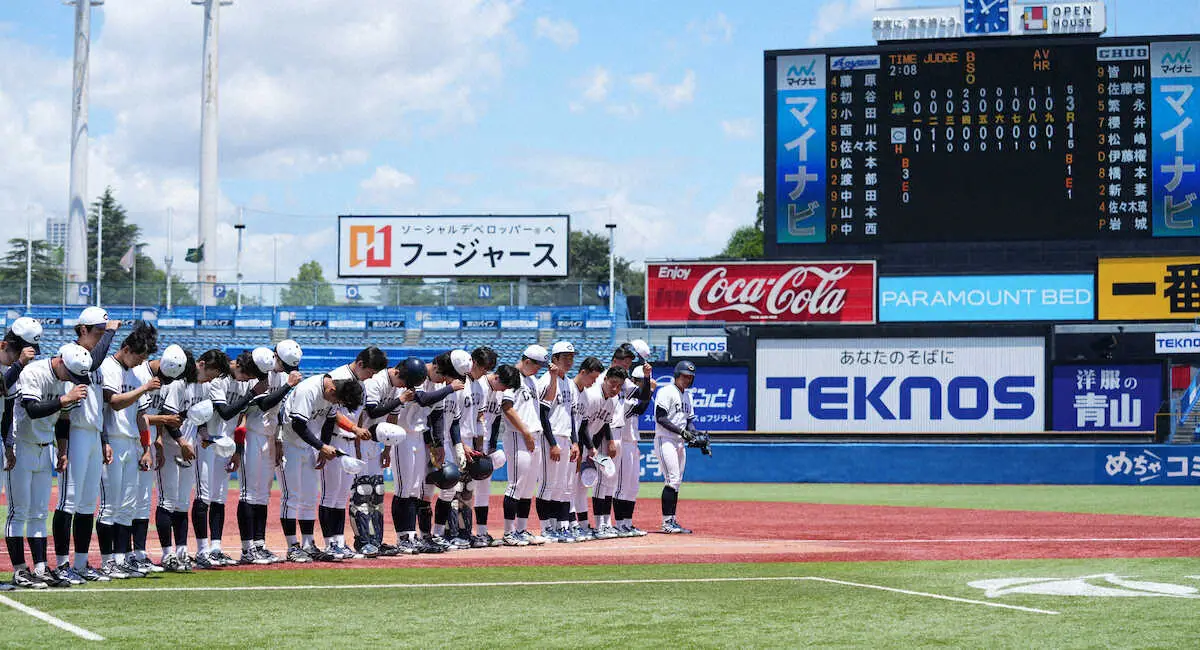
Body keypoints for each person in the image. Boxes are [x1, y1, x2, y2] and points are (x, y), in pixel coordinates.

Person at [5, 344, 92, 589]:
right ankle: (21, 571)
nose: (73, 381)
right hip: (21, 446)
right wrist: (65, 398)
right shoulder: (34, 372)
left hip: (46, 447)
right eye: (72, 374)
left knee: (40, 513)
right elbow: (32, 410)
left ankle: (41, 568)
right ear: (61, 361)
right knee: (18, 511)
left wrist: (62, 449)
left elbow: (63, 418)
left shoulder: (67, 381)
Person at [53, 307, 121, 584]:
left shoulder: (98, 361)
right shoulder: (70, 352)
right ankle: (61, 565)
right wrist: (63, 447)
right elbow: (91, 363)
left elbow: (99, 404)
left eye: (103, 333)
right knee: (67, 502)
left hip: (93, 433)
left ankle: (80, 564)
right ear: (82, 329)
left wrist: (104, 439)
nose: (101, 337)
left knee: (85, 505)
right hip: (76, 433)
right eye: (98, 332)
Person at [96, 322, 162, 579]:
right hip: (112, 439)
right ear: (125, 349)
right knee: (109, 505)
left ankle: (122, 559)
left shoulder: (134, 374)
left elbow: (141, 416)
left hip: (132, 443)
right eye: (138, 357)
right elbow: (114, 403)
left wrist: (146, 448)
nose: (139, 363)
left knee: (127, 506)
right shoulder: (109, 367)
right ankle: (107, 560)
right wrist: (144, 388)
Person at [279, 372, 363, 562]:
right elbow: (298, 424)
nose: (335, 403)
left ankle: (308, 544)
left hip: (309, 447)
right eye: (337, 399)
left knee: (309, 497)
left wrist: (323, 450)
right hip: (289, 444)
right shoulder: (308, 390)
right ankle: (292, 546)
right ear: (331, 389)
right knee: (291, 497)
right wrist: (322, 446)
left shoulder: (332, 394)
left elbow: (328, 422)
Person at [154, 349, 220, 572]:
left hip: (188, 449)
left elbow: (199, 418)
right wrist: (182, 441)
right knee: (167, 502)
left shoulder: (204, 387)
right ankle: (167, 554)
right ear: (201, 365)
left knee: (182, 504)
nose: (213, 377)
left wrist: (203, 436)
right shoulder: (178, 385)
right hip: (173, 448)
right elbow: (169, 417)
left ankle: (181, 551)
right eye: (213, 371)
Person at [236, 348, 300, 565]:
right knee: (248, 494)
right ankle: (247, 548)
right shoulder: (260, 371)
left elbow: (279, 411)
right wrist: (287, 386)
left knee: (263, 494)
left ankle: (259, 544)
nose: (285, 369)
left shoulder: (282, 376)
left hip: (269, 435)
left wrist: (279, 439)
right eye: (284, 363)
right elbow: (264, 403)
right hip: (252, 434)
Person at [128, 343, 188, 572]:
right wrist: (163, 420)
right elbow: (137, 415)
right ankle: (123, 555)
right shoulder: (141, 374)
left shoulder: (164, 382)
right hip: (131, 440)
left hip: (149, 443)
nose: (166, 381)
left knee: (143, 501)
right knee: (127, 501)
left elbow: (155, 414)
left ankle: (140, 554)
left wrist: (159, 440)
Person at [194, 350, 252, 569]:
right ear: (237, 366)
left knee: (219, 498)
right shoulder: (218, 381)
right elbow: (225, 413)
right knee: (204, 497)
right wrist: (250, 394)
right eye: (246, 374)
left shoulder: (245, 383)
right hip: (207, 443)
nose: (248, 379)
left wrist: (236, 450)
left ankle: (216, 548)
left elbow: (238, 420)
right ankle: (202, 550)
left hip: (225, 444)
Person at [500, 345, 549, 546]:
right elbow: (507, 407)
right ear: (527, 361)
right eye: (538, 365)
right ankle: (508, 532)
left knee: (528, 488)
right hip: (517, 436)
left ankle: (521, 530)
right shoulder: (513, 376)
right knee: (516, 485)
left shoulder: (531, 380)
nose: (540, 369)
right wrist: (525, 432)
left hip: (533, 436)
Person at [608, 343, 654, 537]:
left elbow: (642, 397)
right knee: (619, 486)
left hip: (631, 441)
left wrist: (647, 378)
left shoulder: (628, 389)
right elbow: (640, 407)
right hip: (618, 439)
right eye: (626, 361)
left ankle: (626, 523)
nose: (627, 365)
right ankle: (618, 523)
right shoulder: (618, 392)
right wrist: (647, 386)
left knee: (631, 486)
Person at [536, 342, 579, 542]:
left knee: (562, 485)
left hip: (566, 437)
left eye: (571, 357)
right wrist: (552, 442)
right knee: (548, 484)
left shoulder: (570, 383)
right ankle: (546, 527)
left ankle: (559, 527)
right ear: (554, 359)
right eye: (565, 357)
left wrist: (575, 442)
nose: (569, 361)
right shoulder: (545, 381)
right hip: (549, 438)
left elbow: (571, 414)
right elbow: (543, 415)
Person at [581, 365, 628, 540]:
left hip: (589, 443)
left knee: (594, 484)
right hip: (577, 442)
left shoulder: (612, 400)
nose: (615, 388)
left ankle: (598, 525)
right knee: (570, 487)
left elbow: (602, 424)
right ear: (606, 379)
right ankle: (568, 526)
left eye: (619, 386)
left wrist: (605, 443)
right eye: (613, 383)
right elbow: (581, 426)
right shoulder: (592, 395)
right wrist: (589, 449)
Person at [654, 361, 699, 534]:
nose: (687, 379)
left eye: (690, 377)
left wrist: (694, 434)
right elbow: (661, 418)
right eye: (685, 376)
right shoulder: (666, 391)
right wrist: (682, 431)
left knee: (676, 483)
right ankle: (666, 523)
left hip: (679, 442)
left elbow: (690, 421)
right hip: (665, 439)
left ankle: (672, 520)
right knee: (672, 479)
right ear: (677, 375)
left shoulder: (688, 396)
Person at [565, 356, 605, 540]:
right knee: (564, 487)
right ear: (583, 372)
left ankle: (574, 524)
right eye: (593, 377)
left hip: (576, 445)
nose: (594, 382)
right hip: (565, 443)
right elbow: (569, 422)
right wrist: (574, 444)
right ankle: (564, 525)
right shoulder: (569, 390)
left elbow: (582, 426)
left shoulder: (585, 395)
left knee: (574, 487)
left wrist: (589, 447)